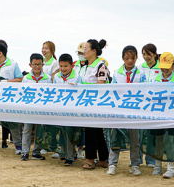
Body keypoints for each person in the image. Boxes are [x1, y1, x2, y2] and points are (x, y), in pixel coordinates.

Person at [105, 45, 147, 176]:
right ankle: (112, 164)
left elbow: (145, 90)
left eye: (133, 58)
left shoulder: (141, 73)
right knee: (115, 138)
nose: (130, 61)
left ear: (136, 58)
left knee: (135, 140)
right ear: (123, 58)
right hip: (120, 111)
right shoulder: (117, 72)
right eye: (127, 58)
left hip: (135, 111)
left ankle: (135, 164)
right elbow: (112, 91)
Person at [76, 38, 111, 170]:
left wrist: (83, 86)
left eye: (86, 49)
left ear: (94, 51)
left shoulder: (101, 66)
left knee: (91, 130)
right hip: (85, 103)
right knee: (97, 132)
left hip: (97, 104)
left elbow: (101, 85)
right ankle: (103, 159)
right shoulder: (84, 67)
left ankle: (90, 159)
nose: (83, 51)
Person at [147, 52, 174, 179]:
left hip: (173, 115)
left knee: (170, 140)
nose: (165, 70)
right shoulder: (154, 79)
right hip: (158, 114)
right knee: (159, 140)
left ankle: (171, 167)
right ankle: (157, 165)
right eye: (163, 66)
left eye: (168, 66)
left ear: (173, 65)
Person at [0, 40, 23, 153]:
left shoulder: (13, 64)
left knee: (12, 122)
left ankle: (18, 146)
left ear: (0, 53)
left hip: (9, 99)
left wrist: (6, 81)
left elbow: (20, 79)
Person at [48, 53, 80, 164]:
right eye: (61, 66)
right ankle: (68, 152)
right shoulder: (56, 77)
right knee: (62, 131)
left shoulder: (77, 77)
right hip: (60, 108)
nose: (63, 69)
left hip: (72, 110)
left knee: (70, 132)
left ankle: (70, 156)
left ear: (72, 66)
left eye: (65, 66)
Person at [20, 53, 50, 161]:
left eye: (39, 64)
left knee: (40, 131)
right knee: (27, 130)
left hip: (41, 109)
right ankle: (24, 152)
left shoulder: (47, 78)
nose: (37, 66)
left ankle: (36, 152)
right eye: (34, 64)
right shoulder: (26, 79)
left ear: (43, 64)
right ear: (30, 65)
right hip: (29, 108)